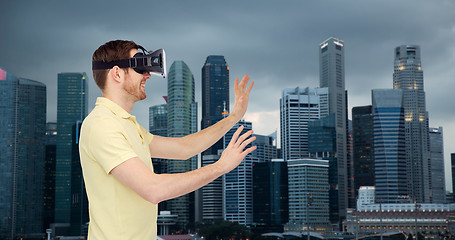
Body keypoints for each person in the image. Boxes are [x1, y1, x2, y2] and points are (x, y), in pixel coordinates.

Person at [79, 40, 256, 240]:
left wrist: (233, 117)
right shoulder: (102, 125)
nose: (147, 74)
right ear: (117, 73)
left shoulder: (127, 124)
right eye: (139, 66)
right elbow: (153, 189)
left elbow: (184, 148)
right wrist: (220, 167)